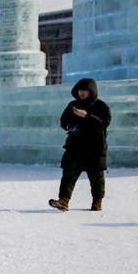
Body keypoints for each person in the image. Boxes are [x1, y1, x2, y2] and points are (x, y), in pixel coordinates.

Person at [49, 78, 111, 212]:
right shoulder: (73, 105)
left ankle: (97, 202)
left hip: (95, 148)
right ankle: (64, 200)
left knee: (96, 177)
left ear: (92, 92)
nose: (82, 93)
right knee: (68, 174)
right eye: (80, 90)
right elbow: (63, 121)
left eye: (85, 91)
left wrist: (87, 116)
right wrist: (69, 126)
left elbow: (104, 123)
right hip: (75, 147)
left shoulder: (102, 106)